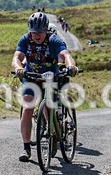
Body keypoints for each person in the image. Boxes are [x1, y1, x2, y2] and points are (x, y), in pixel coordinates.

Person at [11, 12, 78, 162]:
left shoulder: (53, 40)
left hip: (50, 78)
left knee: (49, 107)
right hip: (31, 77)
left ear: (46, 29)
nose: (37, 35)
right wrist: (18, 68)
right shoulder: (25, 39)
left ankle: (52, 135)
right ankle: (26, 147)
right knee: (27, 107)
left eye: (40, 32)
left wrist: (71, 67)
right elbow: (17, 58)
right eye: (33, 32)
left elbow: (65, 55)